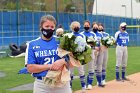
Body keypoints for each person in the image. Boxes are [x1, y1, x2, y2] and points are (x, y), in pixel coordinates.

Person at [25, 15, 72, 93]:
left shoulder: (62, 41)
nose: (49, 29)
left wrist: (63, 61)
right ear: (41, 27)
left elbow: (72, 62)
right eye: (47, 26)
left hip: (62, 82)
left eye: (52, 27)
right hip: (41, 84)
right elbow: (30, 68)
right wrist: (50, 66)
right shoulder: (32, 44)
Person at [69, 21, 86, 91]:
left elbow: (84, 45)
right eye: (74, 26)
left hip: (80, 56)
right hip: (72, 56)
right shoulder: (69, 35)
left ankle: (83, 86)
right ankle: (69, 87)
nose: (76, 27)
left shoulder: (82, 35)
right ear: (72, 27)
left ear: (79, 27)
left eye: (77, 26)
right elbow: (67, 46)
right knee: (70, 72)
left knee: (81, 71)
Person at [80, 20, 97, 90]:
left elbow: (95, 43)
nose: (86, 26)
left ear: (90, 26)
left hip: (91, 52)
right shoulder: (81, 34)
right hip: (83, 53)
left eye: (87, 25)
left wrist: (91, 44)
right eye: (85, 25)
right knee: (82, 69)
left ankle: (89, 84)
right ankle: (83, 85)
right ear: (83, 26)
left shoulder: (93, 34)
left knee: (91, 68)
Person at [92, 22, 105, 87]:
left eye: (96, 27)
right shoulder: (91, 34)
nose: (95, 28)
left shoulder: (100, 34)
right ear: (92, 27)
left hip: (100, 51)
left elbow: (102, 42)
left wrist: (102, 46)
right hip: (93, 51)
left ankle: (99, 82)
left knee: (99, 65)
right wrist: (94, 47)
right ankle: (89, 83)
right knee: (92, 67)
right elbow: (88, 44)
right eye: (94, 27)